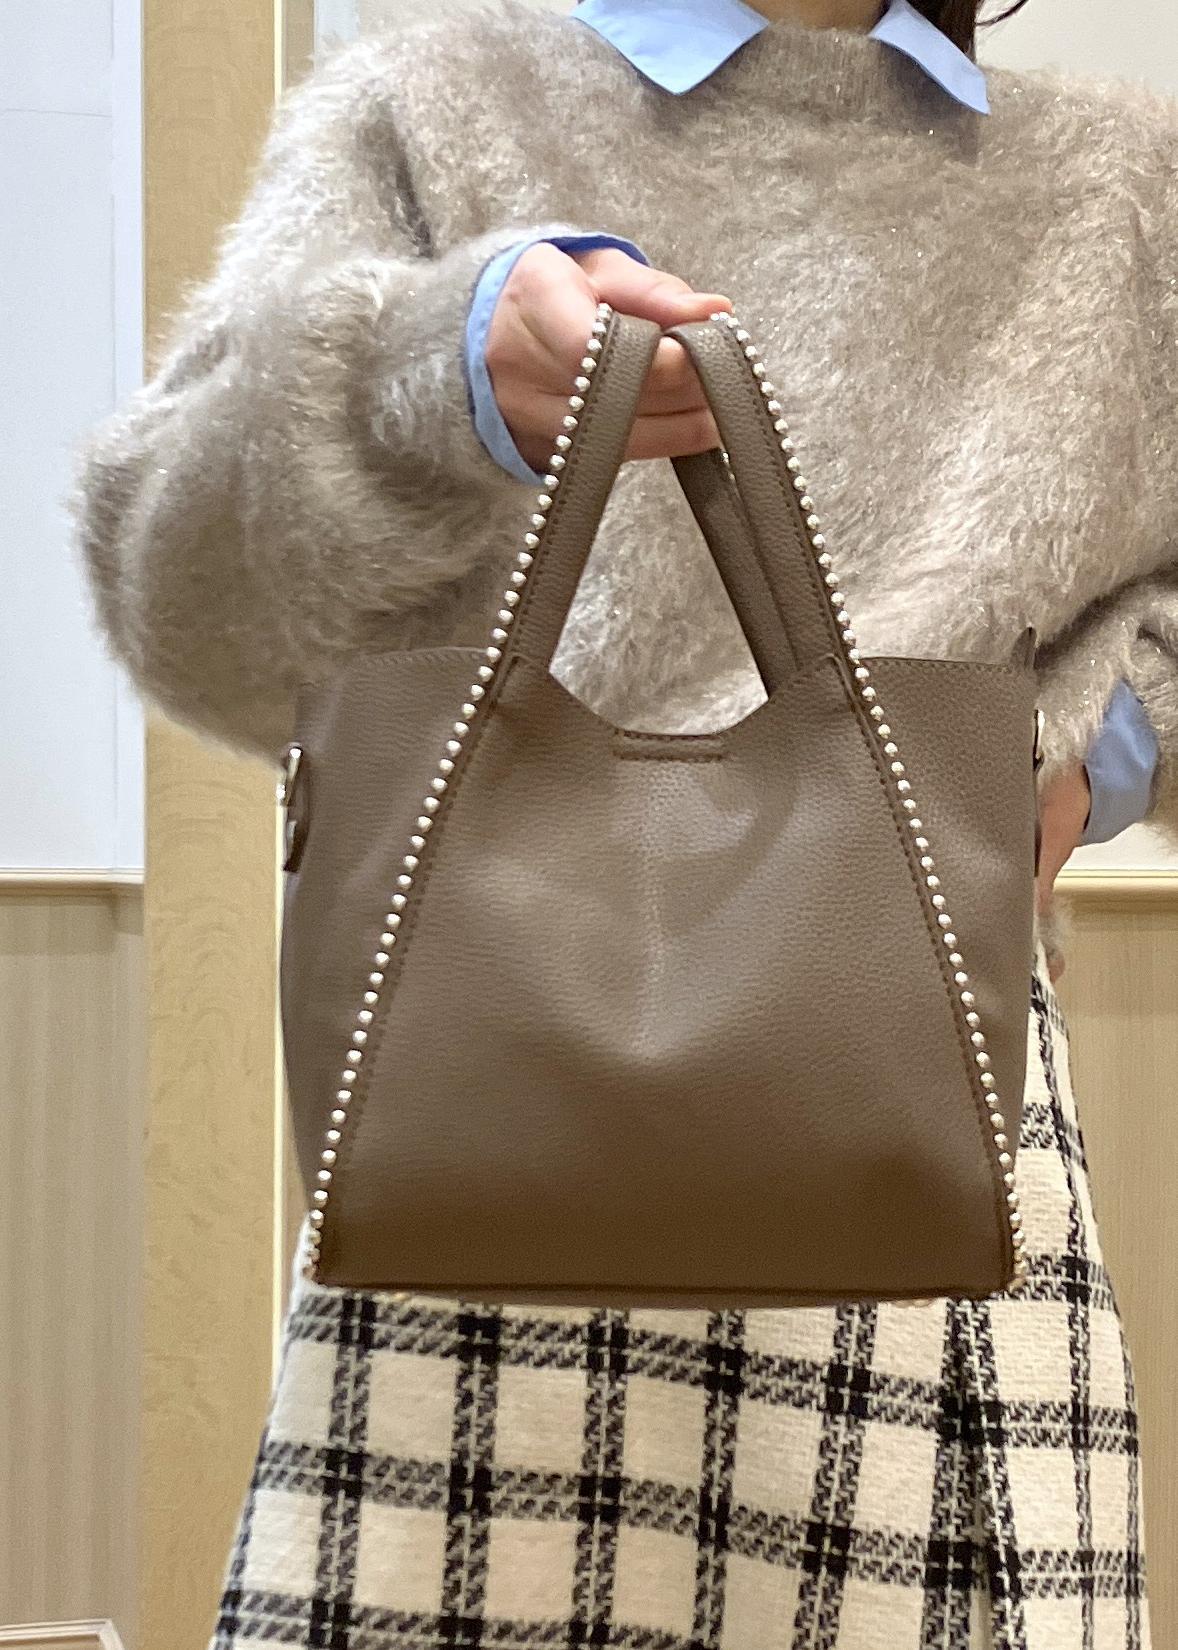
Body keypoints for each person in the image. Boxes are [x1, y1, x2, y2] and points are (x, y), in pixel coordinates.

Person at [72, 0, 1173, 1642]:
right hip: (476, 1186)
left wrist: (1104, 746)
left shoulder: (1121, 188)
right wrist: (430, 371)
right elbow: (181, 598)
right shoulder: (434, 108)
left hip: (924, 1177)